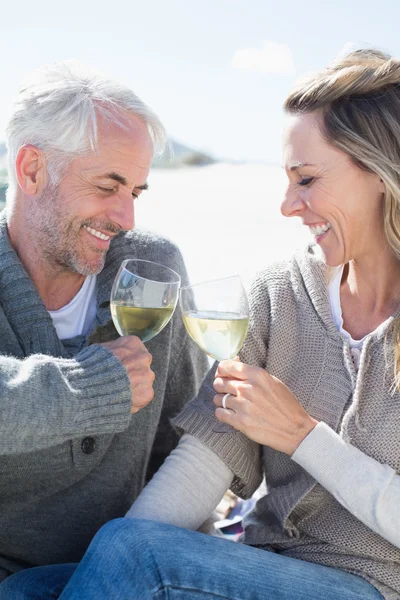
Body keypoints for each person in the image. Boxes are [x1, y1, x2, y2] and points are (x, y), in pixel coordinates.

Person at [4, 47, 400, 599]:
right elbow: (202, 464)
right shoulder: (277, 296)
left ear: (380, 173)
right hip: (252, 570)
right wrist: (121, 554)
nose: (288, 205)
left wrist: (303, 437)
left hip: (375, 586)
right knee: (26, 589)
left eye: (306, 179)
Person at [0, 61, 208, 592]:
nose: (125, 218)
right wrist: (94, 387)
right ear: (30, 170)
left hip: (128, 577)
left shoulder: (152, 269)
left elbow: (184, 431)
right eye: (107, 186)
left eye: (135, 192)